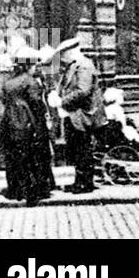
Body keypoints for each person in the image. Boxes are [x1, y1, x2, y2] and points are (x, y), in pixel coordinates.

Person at [49, 36, 105, 194]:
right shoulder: (74, 66)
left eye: (64, 54)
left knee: (83, 149)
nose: (63, 58)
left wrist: (61, 101)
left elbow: (83, 91)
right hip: (75, 115)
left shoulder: (84, 66)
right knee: (78, 149)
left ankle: (84, 184)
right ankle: (80, 181)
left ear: (71, 52)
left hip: (83, 115)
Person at [0, 46, 55, 205]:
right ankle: (34, 192)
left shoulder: (8, 83)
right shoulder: (31, 82)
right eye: (34, 65)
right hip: (28, 125)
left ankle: (15, 190)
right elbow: (37, 104)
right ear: (29, 65)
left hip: (9, 124)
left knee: (14, 158)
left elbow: (4, 100)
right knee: (33, 158)